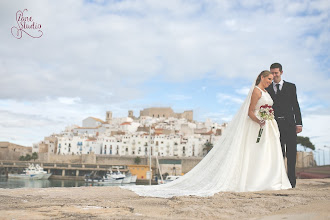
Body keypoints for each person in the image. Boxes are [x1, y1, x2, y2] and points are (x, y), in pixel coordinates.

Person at [121, 71, 291, 198]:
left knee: (267, 153)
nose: (270, 82)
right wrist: (259, 120)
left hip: (268, 126)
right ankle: (259, 181)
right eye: (268, 79)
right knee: (257, 153)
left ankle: (271, 180)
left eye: (271, 80)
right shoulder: (256, 91)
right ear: (262, 77)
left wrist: (268, 118)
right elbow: (249, 111)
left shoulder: (267, 93)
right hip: (258, 125)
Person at [266, 63, 302, 188]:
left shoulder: (291, 87)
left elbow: (295, 105)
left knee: (291, 154)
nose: (274, 75)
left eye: (276, 73)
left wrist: (299, 123)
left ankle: (292, 182)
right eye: (272, 73)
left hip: (290, 125)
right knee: (279, 153)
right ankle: (280, 181)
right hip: (275, 125)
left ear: (281, 72)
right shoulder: (268, 88)